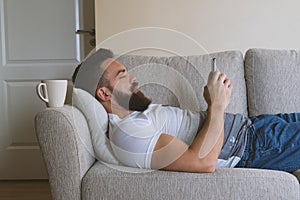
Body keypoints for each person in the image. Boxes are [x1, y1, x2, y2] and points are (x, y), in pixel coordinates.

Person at [73, 48, 300, 173]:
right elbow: (202, 162)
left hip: (253, 126)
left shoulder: (136, 116)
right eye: (122, 74)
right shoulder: (128, 134)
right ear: (104, 94)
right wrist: (217, 105)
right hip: (252, 146)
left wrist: (212, 103)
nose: (133, 77)